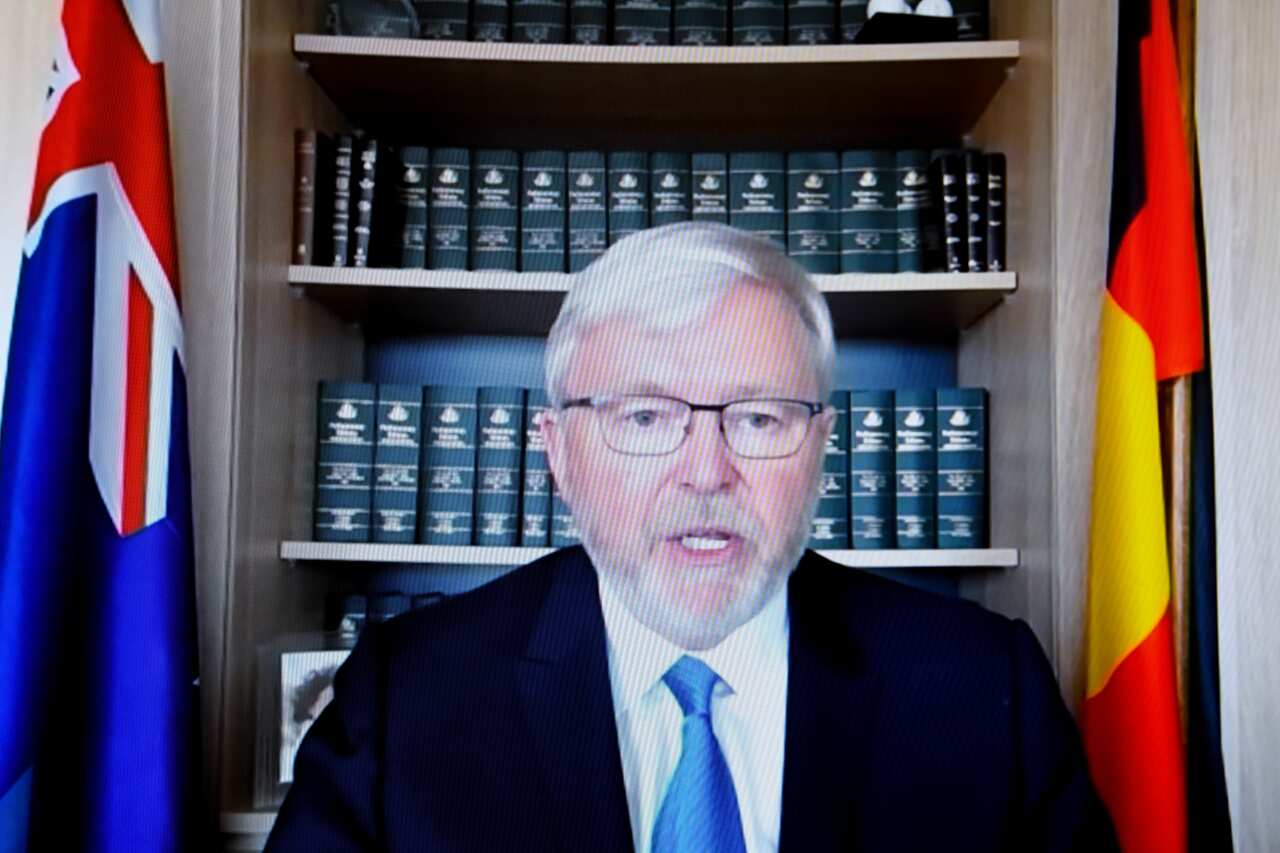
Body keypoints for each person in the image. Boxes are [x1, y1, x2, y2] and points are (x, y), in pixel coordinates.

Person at [266, 222, 1118, 852]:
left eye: (758, 417)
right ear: (557, 455)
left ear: (821, 449)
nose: (706, 472)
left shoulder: (979, 688)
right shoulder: (409, 693)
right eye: (644, 416)